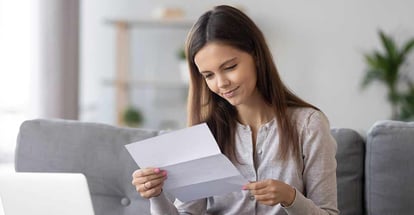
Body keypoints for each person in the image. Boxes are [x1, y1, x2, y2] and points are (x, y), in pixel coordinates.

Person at [132, 5, 338, 215]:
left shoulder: (309, 124)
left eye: (230, 67)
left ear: (256, 56)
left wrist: (290, 197)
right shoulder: (207, 132)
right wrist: (156, 195)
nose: (221, 83)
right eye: (209, 75)